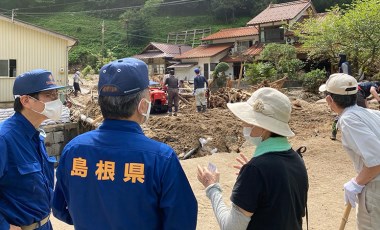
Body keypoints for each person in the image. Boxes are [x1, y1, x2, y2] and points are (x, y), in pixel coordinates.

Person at [52, 58, 198, 229]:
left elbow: (59, 208)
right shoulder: (161, 158)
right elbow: (182, 222)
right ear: (143, 105)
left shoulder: (74, 149)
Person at [197, 87, 309, 230]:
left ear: (262, 127)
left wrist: (212, 187)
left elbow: (231, 227)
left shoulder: (256, 170)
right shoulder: (296, 159)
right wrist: (255, 179)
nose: (243, 124)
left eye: (248, 120)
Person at [0, 69, 64, 230]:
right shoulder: (4, 139)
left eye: (56, 94)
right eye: (49, 95)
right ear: (26, 101)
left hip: (44, 224)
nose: (56, 100)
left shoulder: (35, 135)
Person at [319, 73, 380, 230]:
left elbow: (377, 160)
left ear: (329, 99)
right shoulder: (371, 113)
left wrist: (356, 183)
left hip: (375, 187)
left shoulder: (348, 120)